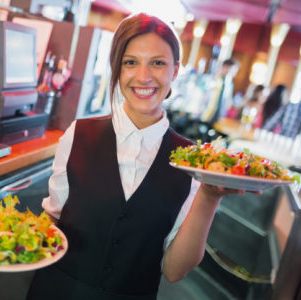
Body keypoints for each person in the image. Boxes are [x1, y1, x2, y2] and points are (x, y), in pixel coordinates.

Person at [27, 13, 242, 300]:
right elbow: (52, 219)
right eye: (130, 62)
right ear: (117, 68)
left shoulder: (192, 162)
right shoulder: (79, 134)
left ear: (175, 70)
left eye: (157, 62)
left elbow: (174, 270)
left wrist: (210, 196)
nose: (143, 76)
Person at [201, 58, 240, 125]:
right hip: (205, 113)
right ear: (224, 67)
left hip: (219, 115)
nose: (234, 74)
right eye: (232, 71)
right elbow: (201, 89)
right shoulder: (212, 78)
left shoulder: (230, 84)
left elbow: (228, 101)